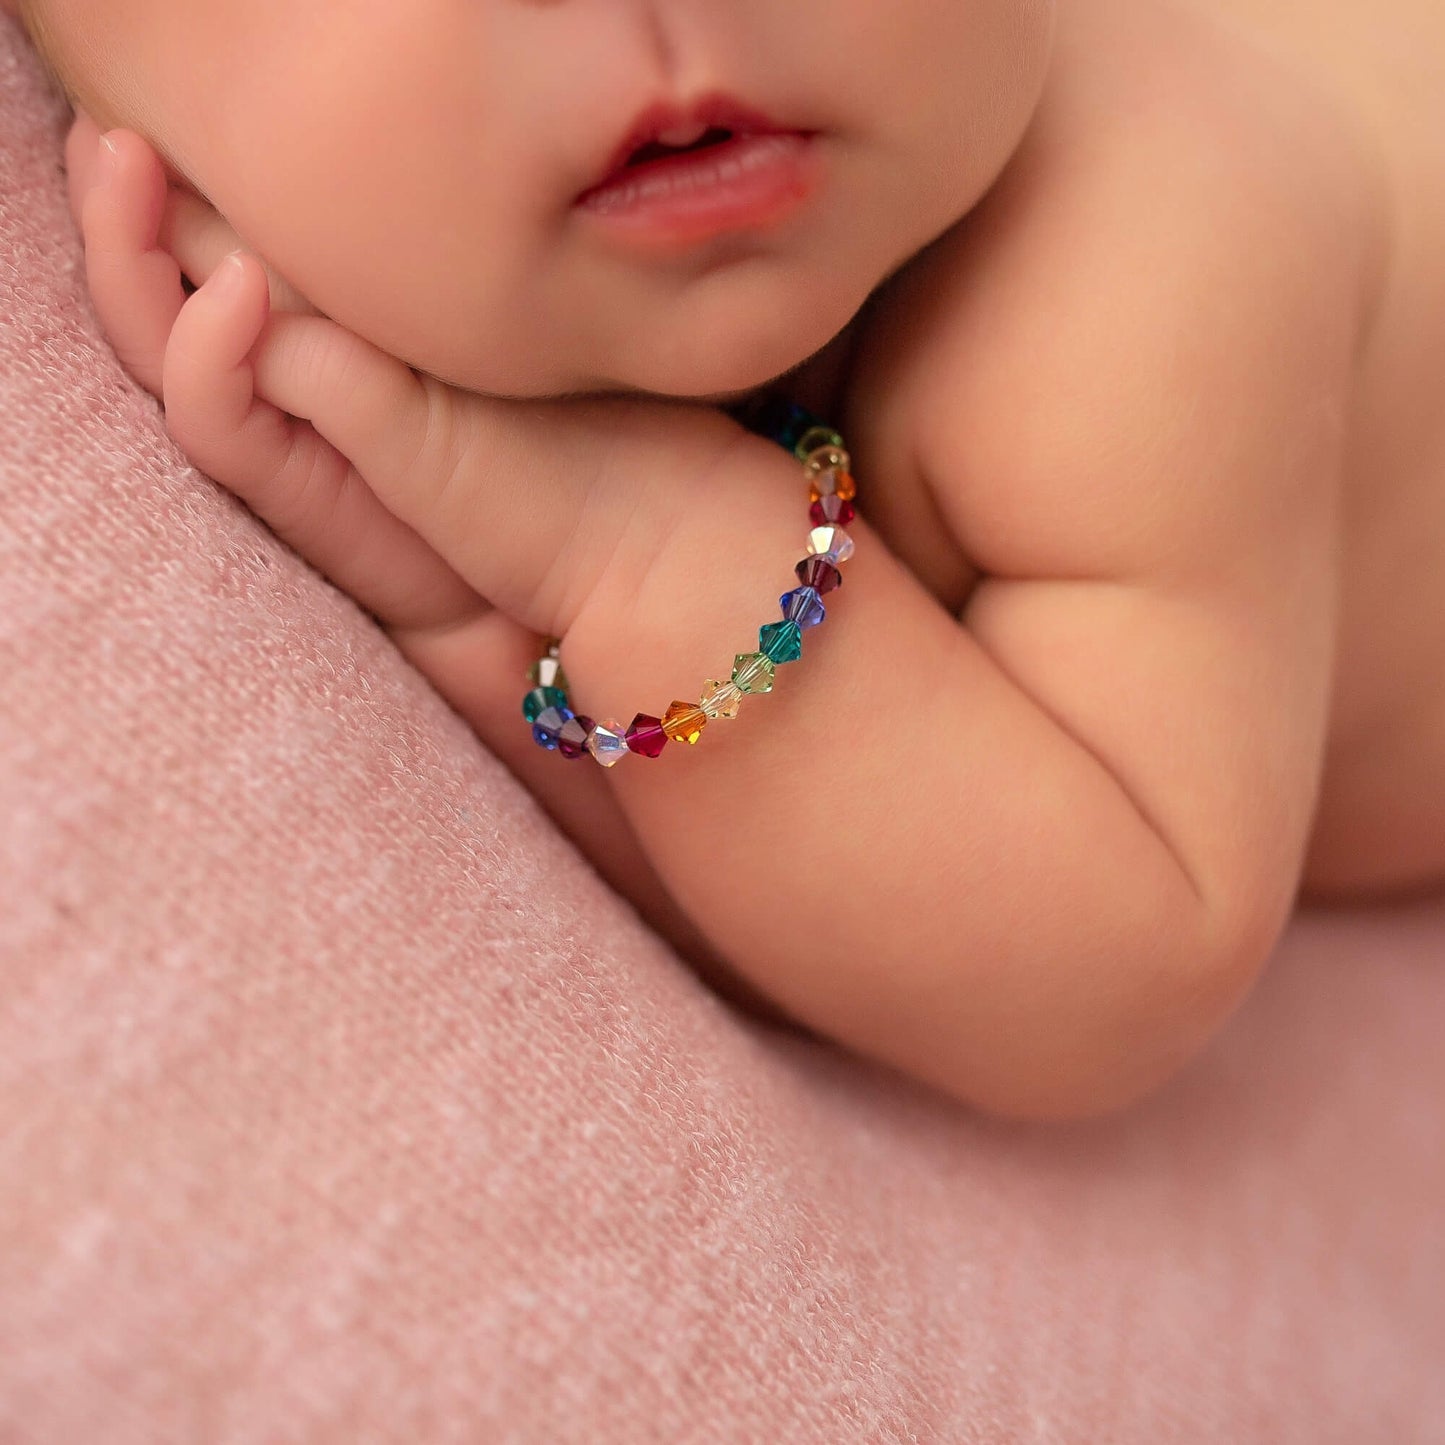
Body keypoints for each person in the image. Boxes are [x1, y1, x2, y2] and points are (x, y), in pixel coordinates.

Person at [7, 0, 1438, 1122]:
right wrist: (465, 600)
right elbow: (757, 845)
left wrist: (633, 549)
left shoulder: (1153, 241)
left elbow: (1107, 968)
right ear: (149, 147)